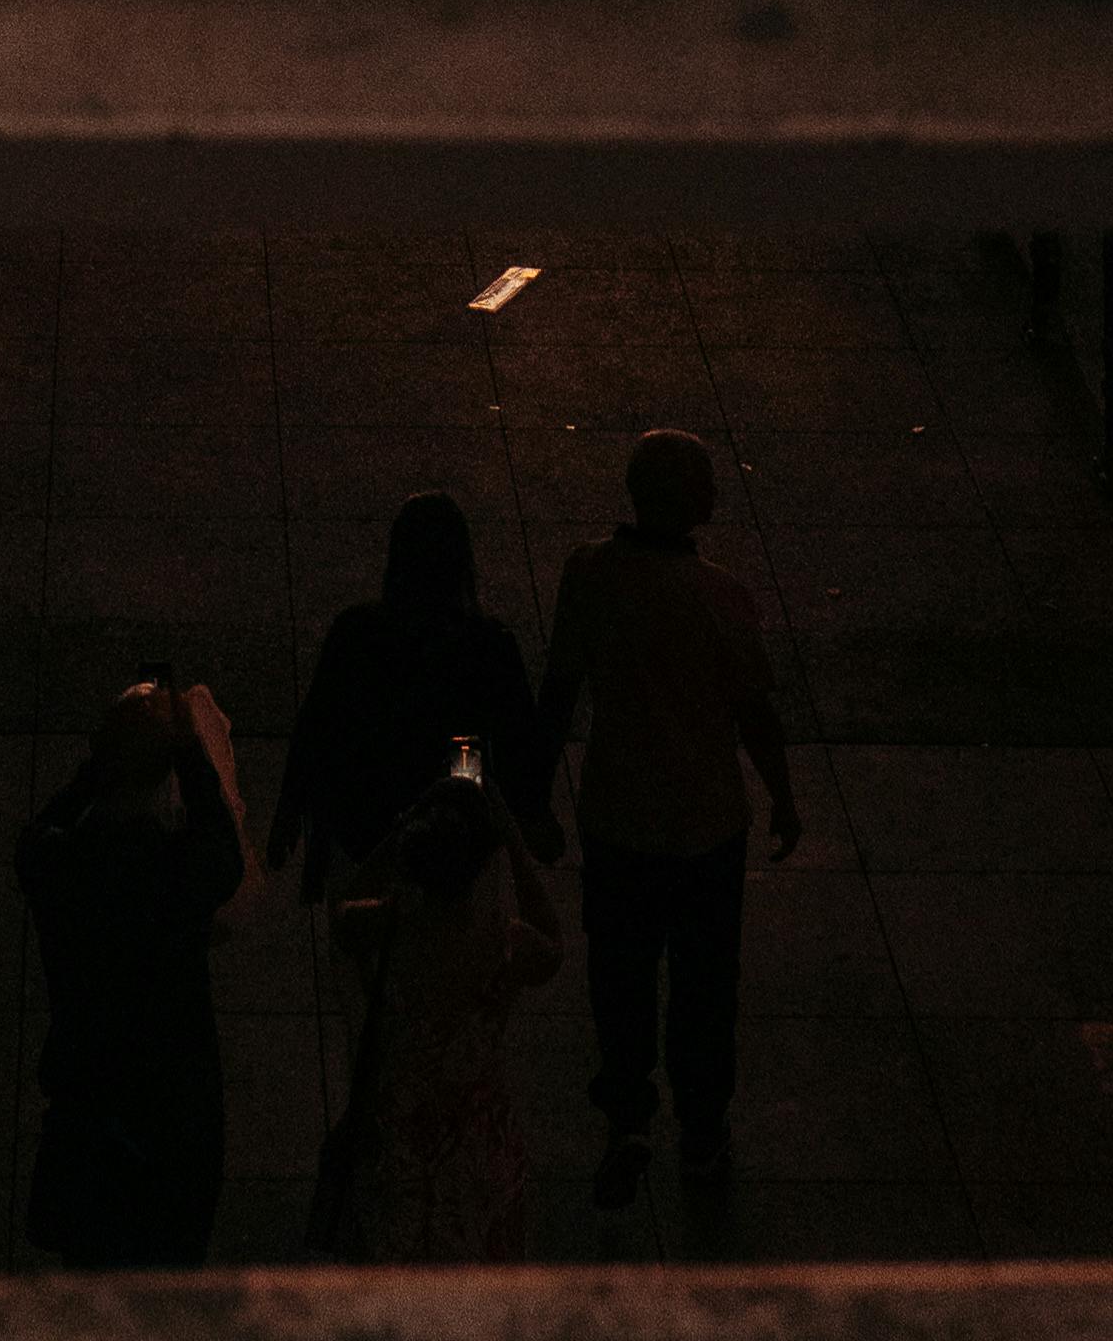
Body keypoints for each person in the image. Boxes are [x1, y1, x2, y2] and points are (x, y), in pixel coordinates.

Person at [531, 428, 797, 1210]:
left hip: (618, 814)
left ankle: (626, 1115)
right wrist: (782, 793)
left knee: (620, 973)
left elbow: (559, 691)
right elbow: (754, 711)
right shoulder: (721, 595)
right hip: (707, 823)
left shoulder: (590, 575)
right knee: (705, 985)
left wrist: (536, 795)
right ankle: (703, 1128)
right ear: (690, 500)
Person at [15, 676, 246, 1269]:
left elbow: (37, 836)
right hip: (175, 1118)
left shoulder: (58, 862)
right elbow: (224, 850)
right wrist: (190, 748)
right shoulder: (176, 871)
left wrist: (102, 762)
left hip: (89, 1107)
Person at [331, 759, 563, 1265]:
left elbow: (342, 908)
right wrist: (510, 837)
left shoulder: (390, 926)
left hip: (398, 1142)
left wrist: (408, 822)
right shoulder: (502, 942)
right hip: (482, 1145)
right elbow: (553, 943)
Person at [274, 494, 551, 899]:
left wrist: (290, 806)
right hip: (453, 831)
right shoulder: (488, 645)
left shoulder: (356, 633)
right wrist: (530, 814)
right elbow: (515, 742)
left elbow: (318, 725)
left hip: (364, 821)